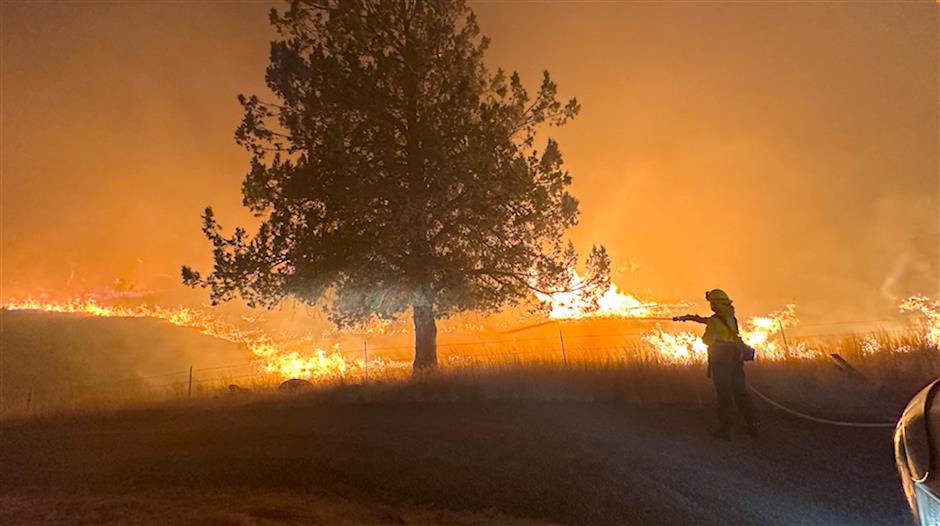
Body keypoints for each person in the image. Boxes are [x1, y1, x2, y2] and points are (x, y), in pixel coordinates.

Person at [674, 289, 757, 439]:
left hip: (721, 363)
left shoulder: (715, 321)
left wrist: (709, 336)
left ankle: (725, 430)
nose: (711, 305)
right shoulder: (731, 318)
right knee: (740, 393)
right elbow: (717, 321)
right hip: (736, 362)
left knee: (724, 396)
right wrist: (689, 318)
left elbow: (707, 339)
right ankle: (752, 426)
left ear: (717, 304)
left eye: (712, 303)